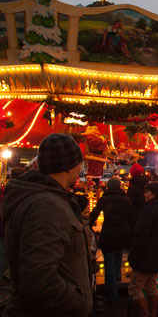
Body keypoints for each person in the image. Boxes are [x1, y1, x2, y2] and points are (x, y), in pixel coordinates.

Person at [2, 133, 92, 316]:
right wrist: (78, 301)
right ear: (68, 166)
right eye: (79, 162)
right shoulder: (46, 205)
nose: (80, 168)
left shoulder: (44, 199)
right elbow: (38, 277)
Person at [128, 182, 158, 317]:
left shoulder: (147, 211)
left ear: (154, 194)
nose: (144, 194)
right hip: (157, 254)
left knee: (135, 288)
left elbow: (141, 236)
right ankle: (153, 313)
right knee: (151, 286)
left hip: (145, 256)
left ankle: (145, 314)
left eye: (147, 192)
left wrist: (133, 255)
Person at [89, 177, 133, 304]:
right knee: (118, 255)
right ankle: (118, 280)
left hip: (109, 233)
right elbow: (131, 217)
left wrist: (89, 224)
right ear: (119, 186)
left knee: (109, 264)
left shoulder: (104, 199)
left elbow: (95, 213)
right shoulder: (126, 200)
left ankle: (112, 296)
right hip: (123, 234)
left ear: (108, 187)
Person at [127, 162, 148, 229]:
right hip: (146, 214)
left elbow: (130, 203)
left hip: (135, 215)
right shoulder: (146, 184)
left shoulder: (132, 186)